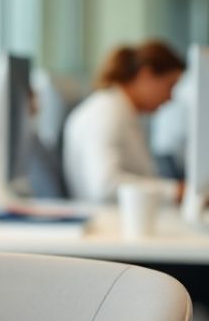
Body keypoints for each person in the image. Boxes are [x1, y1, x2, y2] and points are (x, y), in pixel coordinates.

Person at [63, 40, 185, 204]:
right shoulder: (107, 112)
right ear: (146, 75)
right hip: (110, 220)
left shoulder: (121, 110)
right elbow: (105, 185)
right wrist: (174, 191)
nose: (170, 97)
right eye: (170, 85)